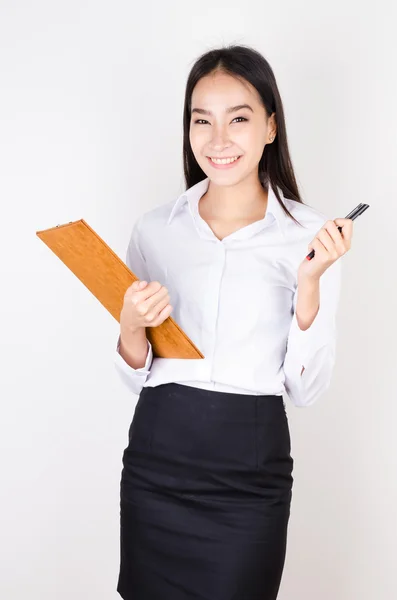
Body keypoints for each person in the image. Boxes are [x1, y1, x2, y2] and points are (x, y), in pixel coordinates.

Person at [114, 45, 353, 600]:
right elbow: (136, 376)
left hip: (249, 469)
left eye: (238, 119)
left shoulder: (309, 238)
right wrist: (130, 327)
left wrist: (310, 285)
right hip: (157, 459)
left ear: (271, 126)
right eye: (202, 120)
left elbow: (306, 389)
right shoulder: (155, 231)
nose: (218, 140)